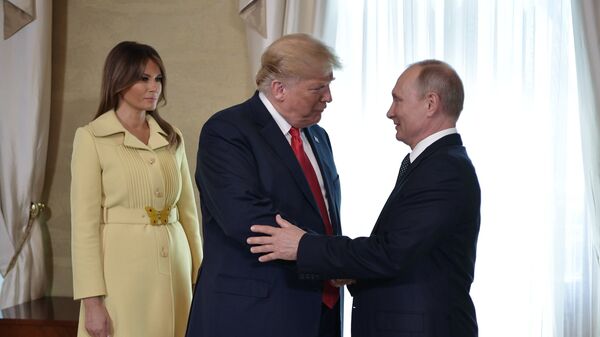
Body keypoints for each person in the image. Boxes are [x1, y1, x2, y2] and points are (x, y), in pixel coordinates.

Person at [248, 60, 481, 337]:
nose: (390, 112)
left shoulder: (444, 169)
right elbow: (410, 251)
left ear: (430, 104)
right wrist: (353, 270)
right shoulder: (435, 163)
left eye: (397, 100)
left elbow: (391, 253)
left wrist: (303, 246)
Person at [186, 33, 343, 337]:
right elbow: (248, 222)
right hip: (255, 315)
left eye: (329, 85)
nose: (328, 97)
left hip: (320, 312)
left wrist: (334, 259)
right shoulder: (227, 132)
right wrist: (332, 258)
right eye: (318, 87)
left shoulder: (319, 138)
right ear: (279, 89)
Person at [70, 41, 203, 337]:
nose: (153, 87)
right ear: (119, 80)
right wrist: (92, 302)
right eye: (143, 78)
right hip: (122, 274)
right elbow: (84, 226)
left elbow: (189, 214)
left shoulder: (172, 137)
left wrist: (201, 275)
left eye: (158, 79)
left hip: (176, 271)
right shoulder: (92, 137)